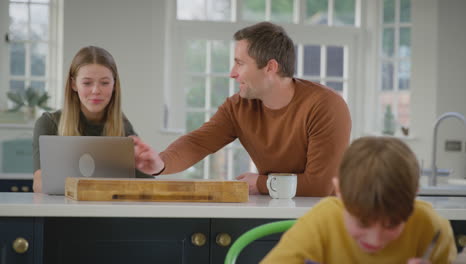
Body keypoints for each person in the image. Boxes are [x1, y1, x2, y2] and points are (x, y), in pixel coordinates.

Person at [132, 21, 351, 196]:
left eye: (240, 63)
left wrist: (260, 182)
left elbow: (319, 186)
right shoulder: (238, 106)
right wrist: (160, 164)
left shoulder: (326, 106)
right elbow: (197, 143)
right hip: (271, 210)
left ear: (270, 67)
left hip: (319, 218)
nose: (232, 73)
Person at [261, 136, 457, 264]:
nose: (375, 239)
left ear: (414, 199)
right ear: (339, 192)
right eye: (363, 222)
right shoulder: (322, 221)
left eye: (392, 224)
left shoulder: (432, 228)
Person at [32, 46, 150, 193]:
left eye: (105, 83)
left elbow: (146, 184)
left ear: (114, 85)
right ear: (74, 84)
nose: (96, 90)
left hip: (109, 213)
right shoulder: (48, 123)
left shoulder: (123, 126)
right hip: (62, 213)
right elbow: (39, 185)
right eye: (87, 83)